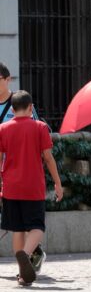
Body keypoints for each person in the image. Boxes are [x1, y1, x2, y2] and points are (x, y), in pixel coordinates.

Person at [0, 91, 62, 286]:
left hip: (10, 186)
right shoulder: (40, 127)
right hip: (33, 186)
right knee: (37, 227)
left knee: (17, 229)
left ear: (11, 109)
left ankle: (22, 274)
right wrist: (58, 182)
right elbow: (48, 157)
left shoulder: (3, 129)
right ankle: (25, 256)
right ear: (31, 108)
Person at [0, 62, 47, 273]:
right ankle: (27, 257)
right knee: (18, 224)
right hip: (8, 175)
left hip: (16, 174)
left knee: (22, 223)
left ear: (8, 79)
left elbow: (37, 134)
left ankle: (30, 255)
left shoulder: (21, 103)